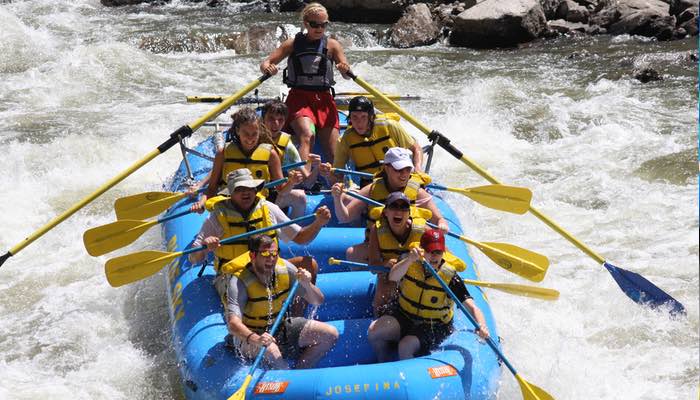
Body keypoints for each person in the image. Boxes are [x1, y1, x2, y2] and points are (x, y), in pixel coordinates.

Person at [188, 168, 331, 285]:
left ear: (256, 189)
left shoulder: (268, 208)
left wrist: (318, 223)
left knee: (309, 265)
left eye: (250, 188)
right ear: (230, 193)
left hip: (267, 269)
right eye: (240, 189)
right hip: (233, 275)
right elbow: (193, 258)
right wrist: (206, 247)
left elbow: (301, 238)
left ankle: (291, 316)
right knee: (253, 285)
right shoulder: (217, 217)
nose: (246, 192)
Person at [367, 229, 490, 362]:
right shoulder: (409, 261)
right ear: (422, 250)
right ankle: (383, 362)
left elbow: (472, 307)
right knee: (374, 331)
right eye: (430, 251)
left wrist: (481, 326)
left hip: (434, 325)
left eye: (438, 252)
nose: (434, 256)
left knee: (405, 346)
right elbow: (393, 277)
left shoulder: (450, 278)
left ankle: (408, 379)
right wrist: (409, 260)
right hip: (405, 315)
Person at [222, 235, 338, 369]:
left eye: (274, 254)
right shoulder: (238, 283)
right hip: (249, 336)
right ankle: (289, 382)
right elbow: (233, 324)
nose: (271, 259)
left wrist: (307, 285)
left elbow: (317, 301)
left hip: (280, 328)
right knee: (270, 348)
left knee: (330, 334)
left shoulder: (285, 269)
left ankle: (301, 372)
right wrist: (257, 339)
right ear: (252, 256)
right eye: (265, 254)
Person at [260, 2, 351, 165]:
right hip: (299, 99)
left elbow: (347, 75)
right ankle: (303, 176)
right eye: (315, 24)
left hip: (324, 102)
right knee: (308, 135)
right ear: (305, 23)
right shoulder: (292, 43)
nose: (319, 28)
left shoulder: (332, 45)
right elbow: (266, 62)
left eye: (324, 24)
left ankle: (339, 182)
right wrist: (269, 68)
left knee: (333, 151)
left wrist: (344, 69)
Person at [329, 147, 449, 262]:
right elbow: (344, 217)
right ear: (386, 168)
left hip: (411, 248)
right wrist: (337, 199)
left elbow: (438, 219)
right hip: (379, 245)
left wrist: (442, 224)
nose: (404, 174)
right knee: (353, 254)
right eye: (398, 169)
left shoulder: (417, 192)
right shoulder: (373, 189)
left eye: (408, 169)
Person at [189, 107, 302, 213]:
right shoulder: (223, 153)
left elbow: (281, 190)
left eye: (254, 134)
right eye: (246, 133)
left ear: (259, 131)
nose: (250, 138)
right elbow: (212, 188)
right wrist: (202, 203)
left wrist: (291, 182)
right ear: (238, 131)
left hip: (258, 208)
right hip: (228, 206)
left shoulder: (271, 154)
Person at [319, 96, 423, 185]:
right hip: (371, 186)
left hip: (400, 179)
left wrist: (418, 169)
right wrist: (329, 175)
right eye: (354, 117)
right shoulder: (345, 140)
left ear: (371, 117)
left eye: (363, 117)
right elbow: (338, 178)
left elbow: (416, 148)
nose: (359, 122)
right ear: (350, 118)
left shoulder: (389, 126)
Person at [365, 192, 432, 316]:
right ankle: (379, 321)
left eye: (404, 208)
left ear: (409, 213)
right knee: (383, 294)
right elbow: (373, 267)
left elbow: (442, 255)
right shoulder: (377, 230)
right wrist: (385, 263)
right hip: (389, 275)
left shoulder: (423, 230)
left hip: (415, 273)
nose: (399, 212)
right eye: (394, 207)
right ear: (386, 212)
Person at [262, 99, 321, 218]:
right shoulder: (252, 138)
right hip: (251, 193)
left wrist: (316, 168)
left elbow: (308, 183)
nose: (276, 124)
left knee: (300, 198)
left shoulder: (287, 146)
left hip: (272, 195)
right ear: (263, 119)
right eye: (271, 119)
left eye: (280, 120)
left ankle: (293, 234)